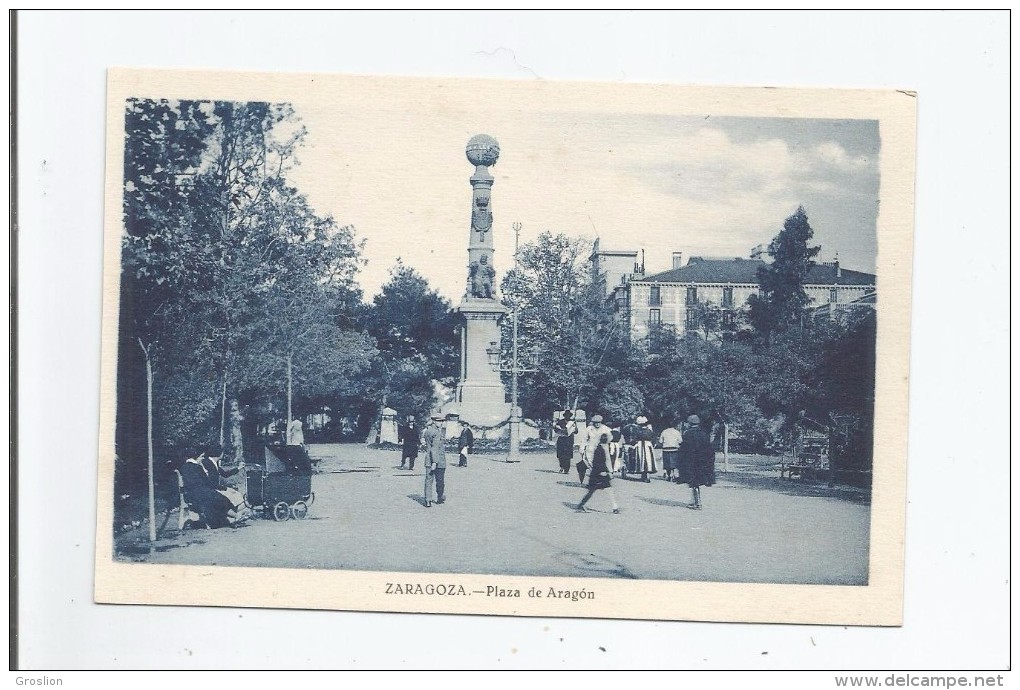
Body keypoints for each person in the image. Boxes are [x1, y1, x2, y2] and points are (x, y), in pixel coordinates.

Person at [677, 415, 716, 509]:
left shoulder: (688, 434)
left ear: (690, 423)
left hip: (691, 462)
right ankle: (694, 501)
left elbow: (684, 449)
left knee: (694, 482)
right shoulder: (703, 434)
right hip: (702, 462)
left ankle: (697, 503)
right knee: (696, 482)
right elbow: (709, 449)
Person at [575, 434, 620, 514]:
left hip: (598, 473)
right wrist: (604, 472)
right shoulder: (600, 449)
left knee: (602, 490)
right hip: (599, 474)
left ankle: (615, 507)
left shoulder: (603, 447)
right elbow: (598, 462)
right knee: (596, 490)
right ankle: (614, 507)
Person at [422, 413, 448, 507]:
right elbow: (435, 448)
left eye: (442, 421)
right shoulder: (437, 433)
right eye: (439, 421)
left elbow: (427, 445)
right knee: (440, 480)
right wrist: (435, 462)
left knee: (428, 480)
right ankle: (440, 497)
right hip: (438, 461)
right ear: (434, 421)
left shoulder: (427, 431)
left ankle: (427, 499)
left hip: (428, 459)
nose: (441, 423)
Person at [633, 416, 658, 483]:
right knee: (648, 460)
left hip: (640, 445)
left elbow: (635, 439)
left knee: (641, 460)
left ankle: (643, 474)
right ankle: (648, 475)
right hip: (648, 445)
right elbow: (654, 439)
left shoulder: (638, 431)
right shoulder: (649, 431)